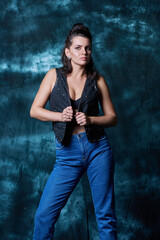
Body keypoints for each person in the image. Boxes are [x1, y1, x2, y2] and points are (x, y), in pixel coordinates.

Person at [30, 23, 118, 240]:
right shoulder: (53, 76)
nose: (84, 52)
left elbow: (112, 117)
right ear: (67, 52)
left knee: (105, 216)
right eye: (78, 48)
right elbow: (35, 111)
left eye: (87, 48)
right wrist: (60, 116)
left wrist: (90, 119)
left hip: (98, 149)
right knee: (44, 215)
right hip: (67, 154)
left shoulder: (98, 80)